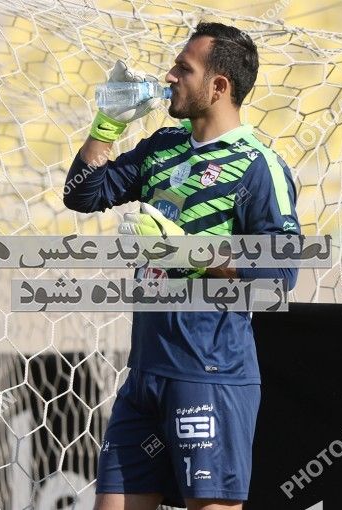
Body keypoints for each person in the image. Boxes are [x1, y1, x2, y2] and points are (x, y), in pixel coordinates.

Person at [63, 21, 300, 510]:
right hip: (144, 374)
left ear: (219, 86)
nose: (169, 76)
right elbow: (82, 195)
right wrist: (106, 126)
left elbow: (279, 277)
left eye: (183, 69)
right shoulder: (162, 147)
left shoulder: (259, 166)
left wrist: (188, 251)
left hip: (209, 372)